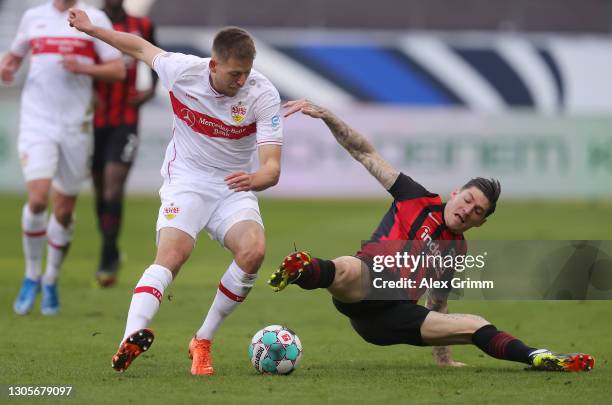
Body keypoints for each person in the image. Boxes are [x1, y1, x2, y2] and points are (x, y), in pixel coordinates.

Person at [268, 99, 595, 373]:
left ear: (480, 222)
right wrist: (327, 115)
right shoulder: (415, 198)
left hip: (392, 320)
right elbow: (363, 151)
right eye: (468, 200)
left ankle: (538, 356)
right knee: (350, 268)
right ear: (455, 193)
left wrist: (444, 357)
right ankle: (303, 270)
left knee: (476, 325)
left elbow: (437, 303)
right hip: (364, 287)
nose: (468, 210)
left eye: (477, 211)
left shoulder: (456, 249)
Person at [68, 9, 283, 375]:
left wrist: (257, 179)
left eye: (247, 72)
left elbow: (271, 167)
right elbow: (137, 47)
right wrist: (92, 29)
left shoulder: (263, 95)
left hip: (233, 185)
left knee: (254, 252)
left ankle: (202, 339)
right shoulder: (182, 70)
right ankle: (130, 336)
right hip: (187, 180)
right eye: (235, 73)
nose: (242, 80)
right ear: (214, 64)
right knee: (173, 253)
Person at [1, 0, 125, 316]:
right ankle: (32, 275)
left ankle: (51, 278)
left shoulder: (94, 18)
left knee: (65, 210)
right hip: (37, 122)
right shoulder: (33, 17)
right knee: (39, 198)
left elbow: (118, 69)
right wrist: (8, 66)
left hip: (75, 125)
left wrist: (84, 67)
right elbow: (14, 57)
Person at [92, 0, 158, 287]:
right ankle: (112, 249)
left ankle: (107, 258)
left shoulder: (142, 26)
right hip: (91, 119)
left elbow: (158, 60)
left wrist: (150, 89)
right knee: (99, 190)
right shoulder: (89, 24)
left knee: (113, 186)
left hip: (126, 117)